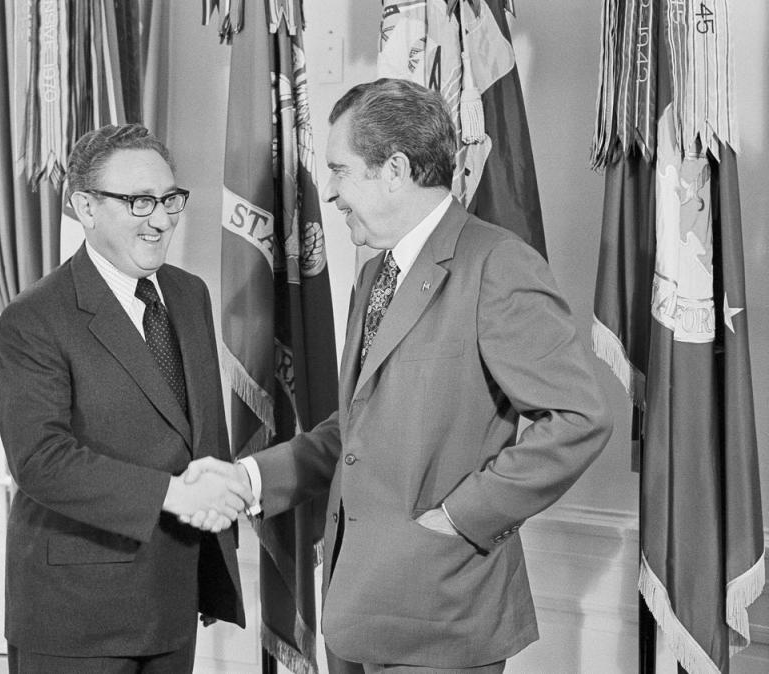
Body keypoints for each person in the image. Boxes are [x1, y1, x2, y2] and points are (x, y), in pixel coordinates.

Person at [186, 78, 614, 673]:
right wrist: (249, 479)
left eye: (339, 170)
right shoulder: (374, 276)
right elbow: (355, 430)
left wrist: (461, 517)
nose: (329, 192)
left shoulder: (497, 264)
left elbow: (578, 418)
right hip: (356, 611)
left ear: (395, 169)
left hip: (442, 618)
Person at [0, 123, 253, 673]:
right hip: (74, 617)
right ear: (85, 206)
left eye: (169, 199)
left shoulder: (188, 294)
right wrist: (172, 494)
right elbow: (40, 462)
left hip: (174, 599)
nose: (160, 220)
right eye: (138, 202)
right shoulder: (33, 318)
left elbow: (200, 434)